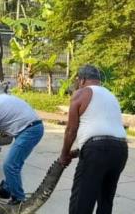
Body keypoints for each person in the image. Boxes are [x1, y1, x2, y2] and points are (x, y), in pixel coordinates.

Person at [59, 65, 128, 214]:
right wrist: (79, 150)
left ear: (82, 80)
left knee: (82, 201)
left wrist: (64, 155)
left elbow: (71, 130)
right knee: (105, 201)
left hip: (96, 151)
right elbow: (107, 130)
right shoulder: (111, 95)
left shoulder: (81, 93)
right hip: (121, 150)